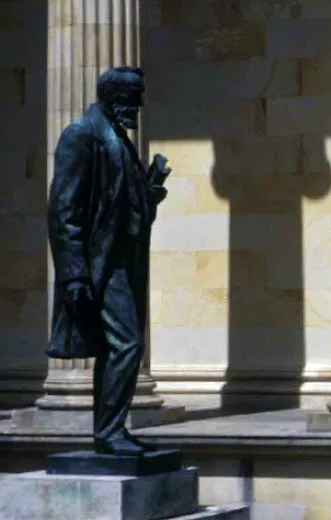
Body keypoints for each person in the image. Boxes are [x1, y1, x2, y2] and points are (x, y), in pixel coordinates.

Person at [46, 67, 171, 455]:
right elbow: (63, 210)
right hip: (101, 264)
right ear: (115, 97)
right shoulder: (82, 136)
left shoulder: (118, 139)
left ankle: (110, 431)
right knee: (128, 344)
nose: (140, 106)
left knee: (117, 346)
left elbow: (124, 206)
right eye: (135, 97)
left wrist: (148, 191)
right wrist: (73, 274)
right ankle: (110, 432)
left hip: (125, 257)